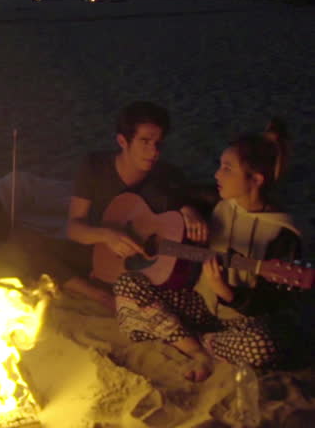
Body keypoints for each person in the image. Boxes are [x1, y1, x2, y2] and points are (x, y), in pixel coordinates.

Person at [113, 119, 302, 381]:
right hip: (199, 305)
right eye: (219, 166)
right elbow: (164, 189)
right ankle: (197, 349)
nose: (217, 175)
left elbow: (272, 303)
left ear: (255, 179)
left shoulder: (283, 233)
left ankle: (196, 343)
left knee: (264, 346)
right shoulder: (219, 201)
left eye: (227, 168)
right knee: (127, 285)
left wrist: (226, 291)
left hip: (241, 323)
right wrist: (187, 210)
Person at [18, 101, 208, 311]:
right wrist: (107, 235)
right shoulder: (95, 167)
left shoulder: (167, 176)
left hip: (135, 267)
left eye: (159, 143)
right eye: (145, 141)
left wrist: (189, 209)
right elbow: (74, 228)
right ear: (122, 141)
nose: (153, 151)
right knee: (27, 245)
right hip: (94, 247)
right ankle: (95, 294)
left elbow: (181, 209)